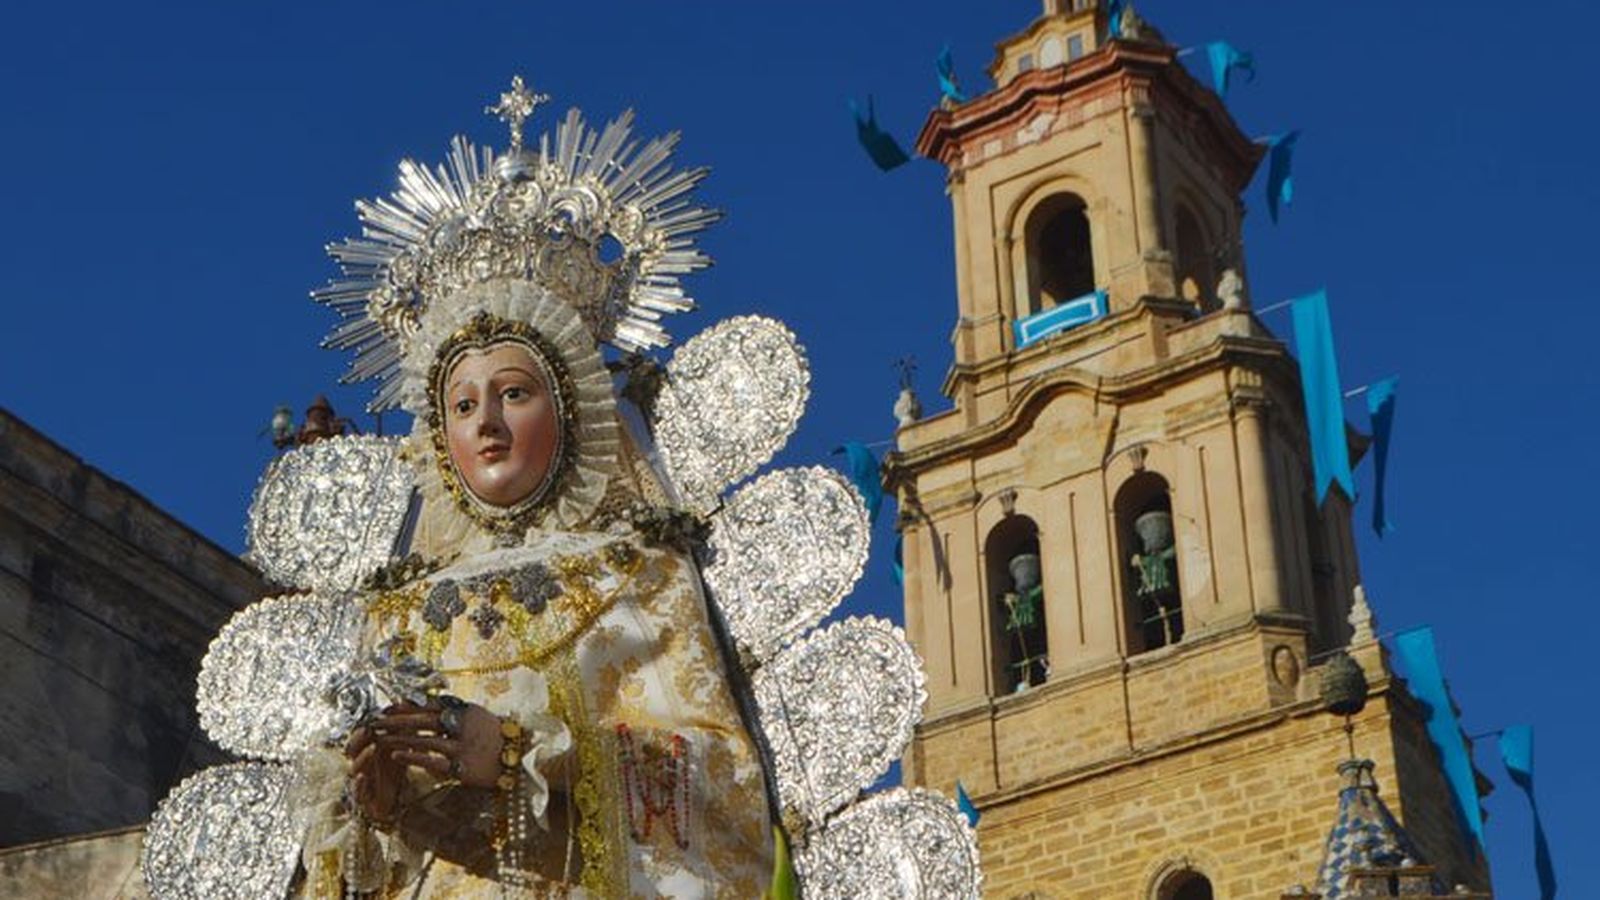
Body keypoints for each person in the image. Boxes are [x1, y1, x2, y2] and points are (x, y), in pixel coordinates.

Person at [289, 94, 775, 896]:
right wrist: (371, 805)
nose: (486, 424)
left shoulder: (638, 578)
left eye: (513, 394)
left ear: (572, 406)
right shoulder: (395, 617)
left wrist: (521, 756)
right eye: (462, 404)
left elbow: (721, 796)